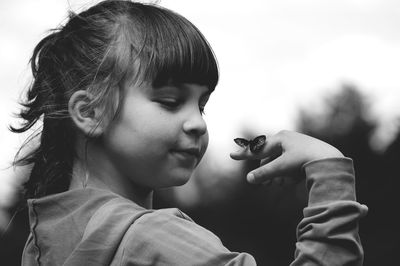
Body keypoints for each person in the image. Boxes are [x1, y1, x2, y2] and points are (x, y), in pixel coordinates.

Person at [10, 0, 367, 265]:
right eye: (169, 101)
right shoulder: (153, 240)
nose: (198, 123)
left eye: (201, 105)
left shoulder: (43, 242)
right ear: (89, 113)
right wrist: (328, 169)